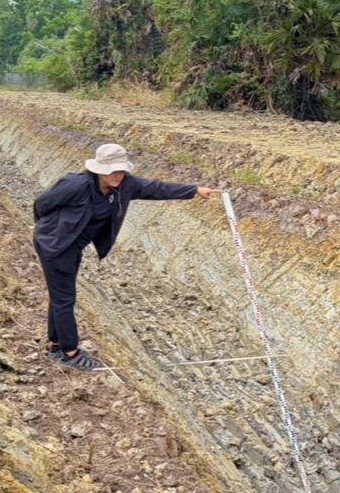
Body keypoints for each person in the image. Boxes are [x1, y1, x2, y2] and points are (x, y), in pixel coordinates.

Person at [33, 143, 220, 369]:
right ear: (99, 169)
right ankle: (70, 353)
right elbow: (42, 204)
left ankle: (56, 345)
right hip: (55, 245)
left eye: (121, 170)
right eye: (113, 170)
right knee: (65, 297)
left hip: (74, 246)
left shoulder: (125, 186)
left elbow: (157, 189)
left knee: (61, 294)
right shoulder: (76, 185)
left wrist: (194, 190)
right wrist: (49, 230)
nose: (118, 175)